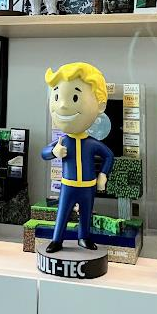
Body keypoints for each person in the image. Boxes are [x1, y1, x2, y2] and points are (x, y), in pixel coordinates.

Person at [41, 63, 114, 253]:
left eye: (74, 97)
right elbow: (44, 153)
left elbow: (109, 156)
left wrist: (103, 175)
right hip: (68, 185)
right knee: (63, 213)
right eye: (57, 97)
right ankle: (57, 239)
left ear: (100, 105)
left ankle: (84, 237)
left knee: (86, 213)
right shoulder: (63, 142)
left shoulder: (92, 143)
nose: (63, 105)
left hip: (88, 186)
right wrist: (54, 152)